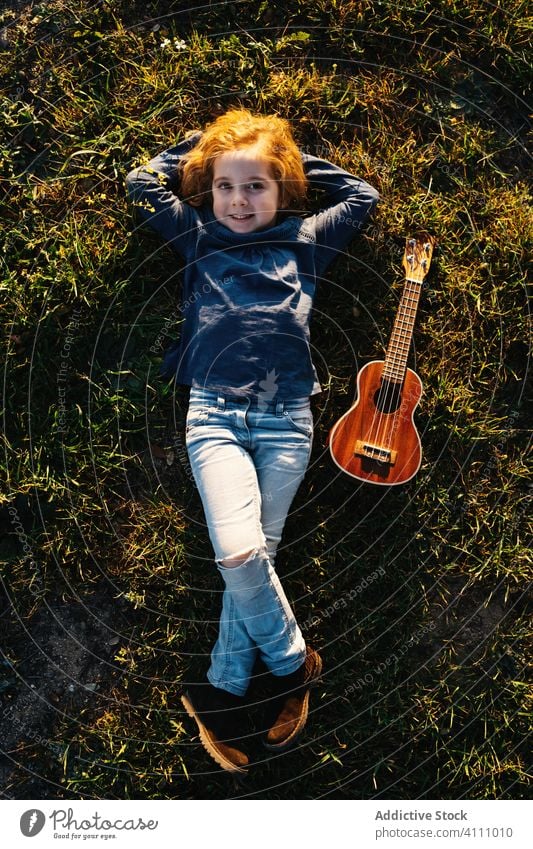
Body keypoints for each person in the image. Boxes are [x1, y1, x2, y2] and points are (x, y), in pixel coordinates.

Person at [126, 108, 378, 774]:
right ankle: (296, 666)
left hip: (286, 416)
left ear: (283, 192)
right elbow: (140, 180)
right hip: (212, 413)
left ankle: (223, 686)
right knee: (239, 551)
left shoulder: (308, 240)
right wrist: (207, 149)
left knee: (257, 552)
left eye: (257, 186)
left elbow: (364, 196)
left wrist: (289, 159)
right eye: (226, 186)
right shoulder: (199, 235)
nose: (239, 200)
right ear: (208, 192)